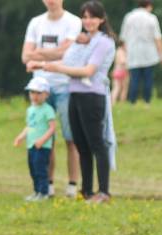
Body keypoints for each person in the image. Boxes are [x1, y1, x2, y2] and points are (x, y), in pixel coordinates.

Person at [29, 0, 116, 203]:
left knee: (97, 144)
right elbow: (68, 62)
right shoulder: (82, 40)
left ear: (101, 19)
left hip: (92, 96)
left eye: (92, 17)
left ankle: (103, 191)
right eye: (85, 17)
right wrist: (42, 64)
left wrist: (56, 69)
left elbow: (88, 71)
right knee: (81, 144)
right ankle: (86, 190)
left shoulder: (104, 41)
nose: (88, 21)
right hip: (75, 94)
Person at [22, 0, 82, 198]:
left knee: (70, 138)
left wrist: (38, 54)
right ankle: (47, 184)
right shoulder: (35, 23)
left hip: (65, 85)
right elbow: (25, 56)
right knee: (45, 139)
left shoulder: (73, 21)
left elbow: (67, 51)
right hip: (41, 87)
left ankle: (73, 184)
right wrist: (50, 55)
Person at [13, 77, 57, 202]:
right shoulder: (30, 110)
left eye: (39, 93)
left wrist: (43, 140)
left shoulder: (48, 110)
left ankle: (44, 193)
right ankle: (36, 191)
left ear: (46, 94)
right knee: (33, 169)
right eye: (32, 92)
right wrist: (21, 137)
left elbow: (52, 128)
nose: (35, 96)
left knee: (41, 170)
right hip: (31, 145)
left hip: (42, 147)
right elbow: (30, 126)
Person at [120, 0, 162, 105]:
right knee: (148, 79)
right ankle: (147, 102)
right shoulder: (151, 18)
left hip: (133, 53)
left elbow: (123, 38)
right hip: (149, 54)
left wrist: (125, 53)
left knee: (134, 79)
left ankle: (132, 102)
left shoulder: (129, 17)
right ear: (149, 6)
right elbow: (157, 38)